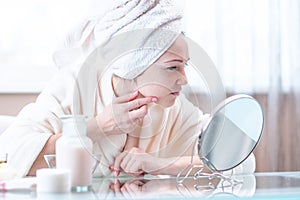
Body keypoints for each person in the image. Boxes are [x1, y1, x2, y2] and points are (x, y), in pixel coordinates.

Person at [0, 0, 255, 178]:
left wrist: (160, 165)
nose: (185, 79)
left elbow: (242, 159)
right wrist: (97, 128)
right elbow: (11, 154)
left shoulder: (173, 110)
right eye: (173, 67)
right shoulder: (73, 86)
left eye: (185, 66)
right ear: (133, 64)